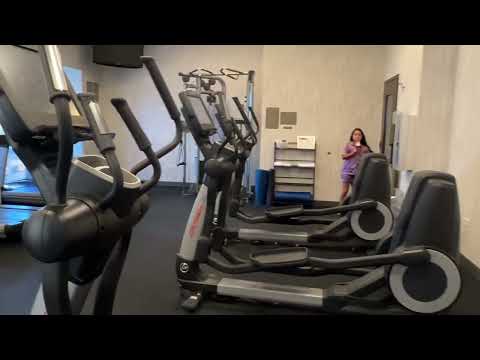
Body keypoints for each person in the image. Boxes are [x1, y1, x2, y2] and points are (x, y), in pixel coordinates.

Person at [340, 128, 372, 202]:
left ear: (362, 137)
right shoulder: (349, 145)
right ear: (352, 136)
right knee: (344, 191)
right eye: (355, 134)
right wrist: (353, 153)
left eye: (359, 135)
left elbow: (368, 159)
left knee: (356, 192)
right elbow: (343, 156)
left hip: (357, 172)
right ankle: (339, 209)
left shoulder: (365, 148)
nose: (357, 136)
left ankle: (353, 209)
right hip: (347, 171)